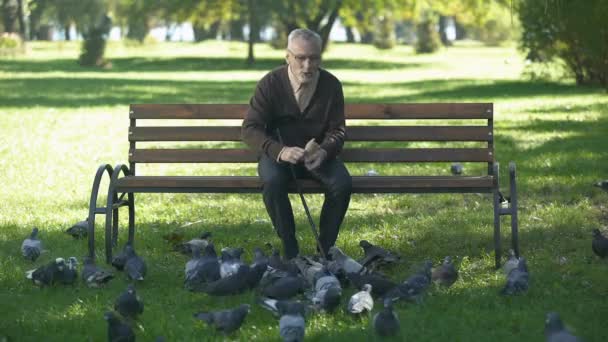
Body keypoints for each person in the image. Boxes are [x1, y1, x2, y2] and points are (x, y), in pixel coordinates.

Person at [241, 28, 352, 259]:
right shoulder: (270, 84)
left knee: (341, 184)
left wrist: (325, 151)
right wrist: (279, 151)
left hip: (318, 156)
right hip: (279, 156)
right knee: (272, 182)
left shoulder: (331, 85)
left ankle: (324, 251)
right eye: (301, 58)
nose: (308, 65)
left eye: (314, 58)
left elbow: (338, 130)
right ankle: (290, 249)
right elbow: (250, 129)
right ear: (287, 56)